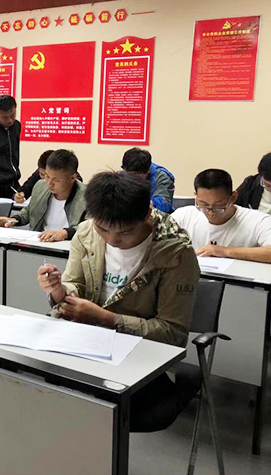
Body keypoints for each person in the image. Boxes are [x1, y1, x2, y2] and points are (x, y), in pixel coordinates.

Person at [36, 171, 198, 431]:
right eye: (103, 228)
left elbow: (172, 334)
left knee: (89, 413)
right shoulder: (87, 233)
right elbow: (74, 287)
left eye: (126, 232)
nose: (112, 239)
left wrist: (105, 318)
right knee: (41, 394)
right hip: (85, 349)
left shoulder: (176, 253)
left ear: (147, 215)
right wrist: (58, 290)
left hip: (138, 361)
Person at [172, 169, 271, 263]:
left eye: (218, 206)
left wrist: (225, 251)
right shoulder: (184, 215)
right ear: (196, 195)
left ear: (233, 197)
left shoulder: (259, 221)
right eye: (203, 204)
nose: (210, 212)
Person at [0, 149, 87, 242]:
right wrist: (13, 220)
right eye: (47, 176)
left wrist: (65, 233)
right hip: (39, 242)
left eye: (56, 180)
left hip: (69, 245)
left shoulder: (87, 197)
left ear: (72, 178)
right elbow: (29, 211)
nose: (49, 183)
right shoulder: (40, 186)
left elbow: (89, 228)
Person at [121, 148, 175, 213]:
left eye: (136, 176)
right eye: (130, 175)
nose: (132, 179)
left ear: (148, 170)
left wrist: (140, 204)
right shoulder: (122, 175)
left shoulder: (162, 177)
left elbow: (164, 205)